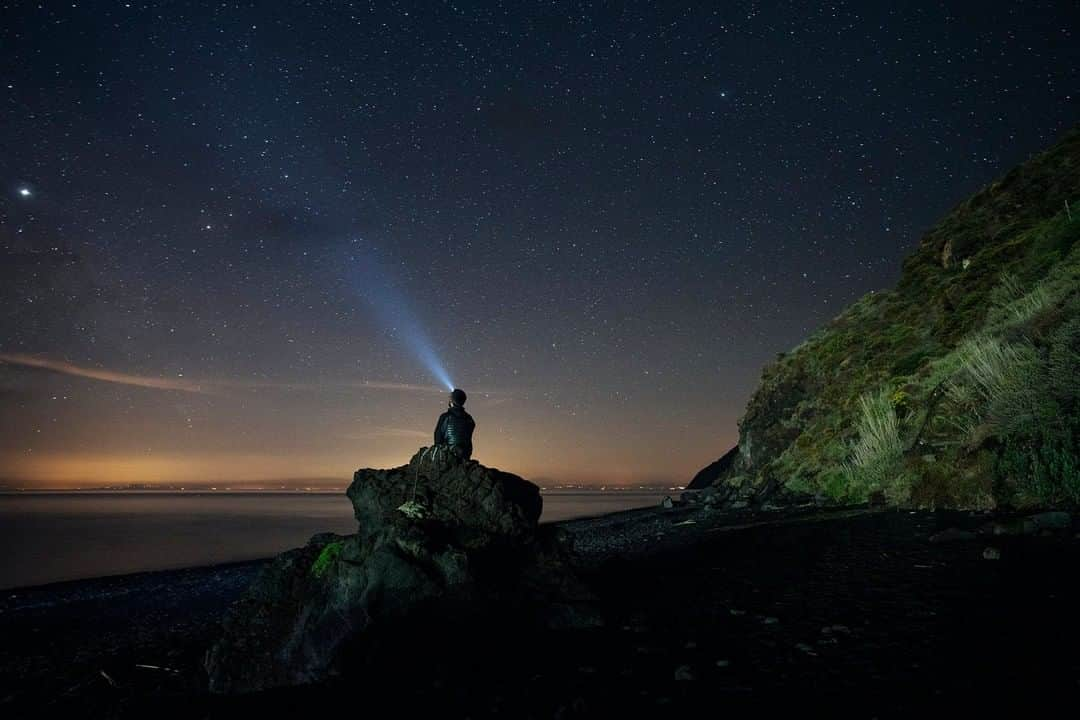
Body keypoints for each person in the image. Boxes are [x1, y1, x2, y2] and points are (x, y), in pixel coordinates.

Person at [434, 387, 475, 460]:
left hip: (449, 454)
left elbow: (438, 438)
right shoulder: (470, 419)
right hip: (465, 454)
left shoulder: (445, 417)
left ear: (452, 401)